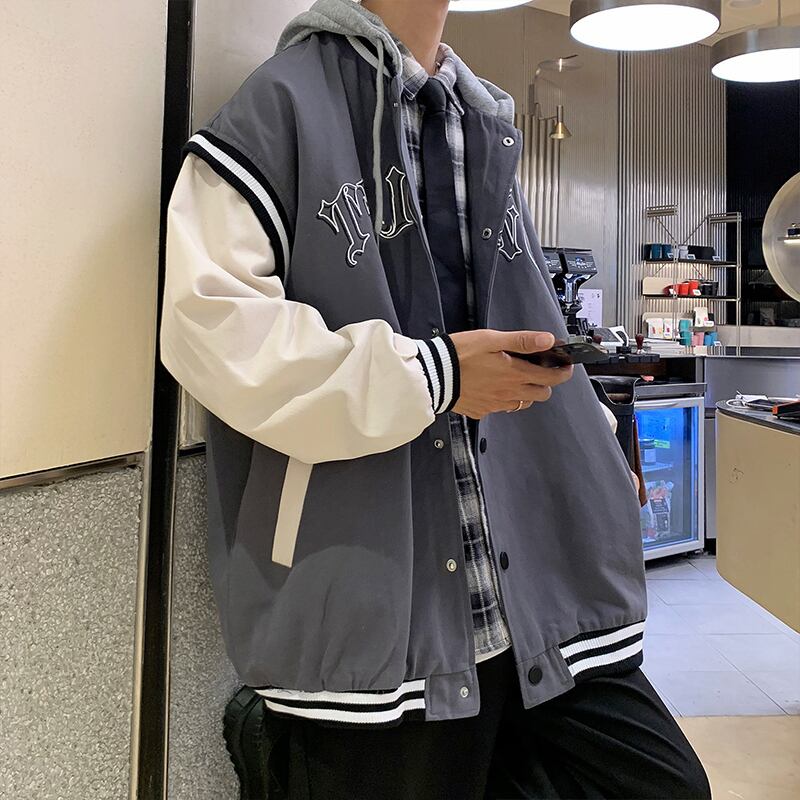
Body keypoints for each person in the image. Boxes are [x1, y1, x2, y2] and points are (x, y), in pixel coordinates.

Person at [159, 0, 711, 797]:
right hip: (379, 616)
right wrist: (433, 376)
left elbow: (526, 315)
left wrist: (590, 446)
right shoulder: (280, 107)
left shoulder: (479, 122)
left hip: (533, 592)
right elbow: (211, 331)